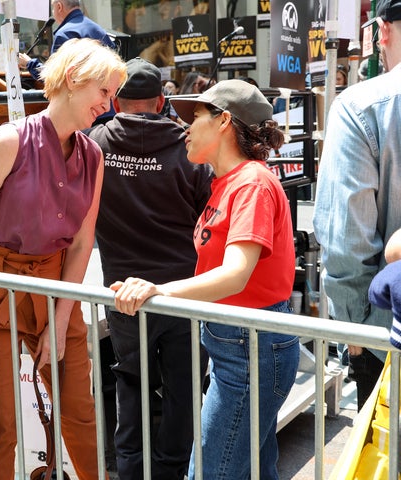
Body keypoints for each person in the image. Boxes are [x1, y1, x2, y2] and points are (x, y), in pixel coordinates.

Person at [0, 38, 126, 480]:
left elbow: (82, 244)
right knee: (0, 422)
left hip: (55, 285)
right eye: (103, 91)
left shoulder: (93, 155)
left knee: (80, 412)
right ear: (73, 78)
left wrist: (61, 322)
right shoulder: (10, 141)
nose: (108, 104)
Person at [111, 79, 299, 479]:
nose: (185, 128)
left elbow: (235, 274)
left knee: (210, 472)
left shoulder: (251, 183)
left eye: (195, 117)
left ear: (224, 121)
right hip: (238, 345)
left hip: (250, 348)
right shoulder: (228, 183)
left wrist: (159, 289)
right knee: (250, 469)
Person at [86, 57, 213, 480]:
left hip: (122, 292)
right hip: (181, 292)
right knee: (184, 385)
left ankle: (131, 470)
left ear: (116, 102)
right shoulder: (190, 146)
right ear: (162, 100)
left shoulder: (95, 143)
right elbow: (207, 219)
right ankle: (172, 471)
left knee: (130, 382)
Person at [312, 0, 401, 411]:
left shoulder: (362, 106)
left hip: (388, 339)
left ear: (381, 32)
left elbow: (346, 241)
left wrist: (358, 337)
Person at [18, 0, 115, 80]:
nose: (53, 12)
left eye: (53, 7)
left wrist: (29, 63)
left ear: (59, 7)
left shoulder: (64, 34)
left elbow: (54, 78)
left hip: (79, 100)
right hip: (104, 99)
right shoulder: (98, 29)